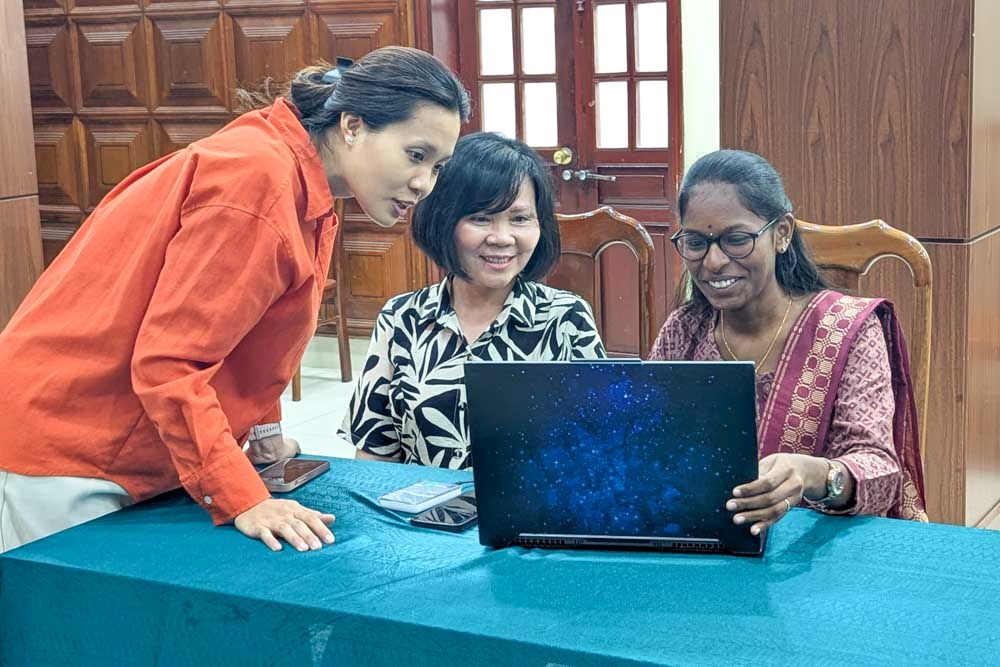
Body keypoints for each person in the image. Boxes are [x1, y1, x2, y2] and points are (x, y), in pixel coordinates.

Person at [0, 46, 470, 553]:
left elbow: (251, 333)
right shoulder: (258, 182)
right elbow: (168, 362)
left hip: (123, 437)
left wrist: (264, 432)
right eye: (415, 155)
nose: (424, 184)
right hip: (73, 442)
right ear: (352, 126)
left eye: (439, 166)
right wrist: (240, 496)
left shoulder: (296, 175)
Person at [650, 149, 927, 536]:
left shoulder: (846, 330)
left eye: (736, 239)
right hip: (708, 545)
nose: (712, 262)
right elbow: (649, 445)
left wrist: (814, 474)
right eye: (696, 242)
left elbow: (881, 473)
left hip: (818, 554)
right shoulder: (685, 331)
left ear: (781, 234)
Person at [340, 132, 606, 469]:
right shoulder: (401, 318)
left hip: (531, 519)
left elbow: (598, 450)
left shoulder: (567, 318)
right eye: (481, 218)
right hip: (424, 518)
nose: (502, 238)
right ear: (443, 221)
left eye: (520, 219)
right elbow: (375, 455)